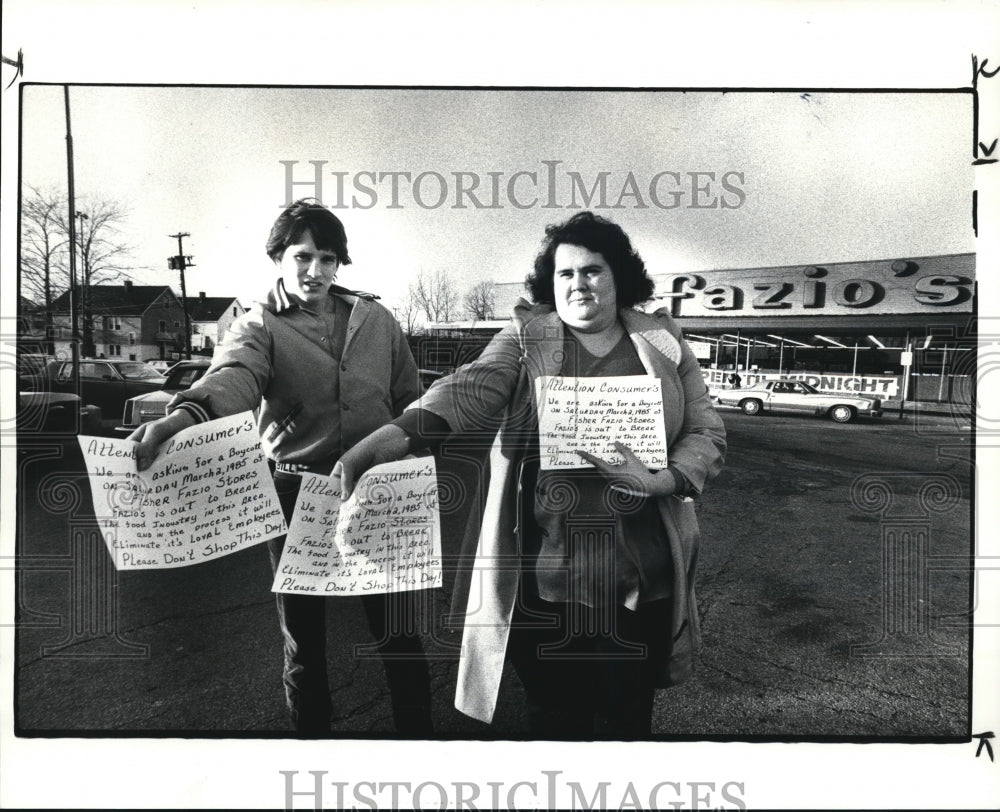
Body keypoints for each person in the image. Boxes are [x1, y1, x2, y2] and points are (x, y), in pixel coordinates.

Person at [336, 211, 726, 739]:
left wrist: (667, 479)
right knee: (556, 724)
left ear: (620, 279)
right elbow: (469, 387)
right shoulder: (527, 335)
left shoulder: (662, 339)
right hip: (548, 581)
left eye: (592, 270)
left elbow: (705, 429)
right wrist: (390, 439)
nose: (578, 283)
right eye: (565, 274)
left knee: (627, 723)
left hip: (642, 577)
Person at [130, 199, 432, 737]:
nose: (315, 270)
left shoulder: (377, 319)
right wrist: (181, 418)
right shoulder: (259, 325)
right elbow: (234, 378)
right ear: (278, 258)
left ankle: (418, 745)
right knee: (304, 642)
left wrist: (409, 458)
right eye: (302, 256)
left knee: (399, 633)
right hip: (297, 496)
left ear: (340, 263)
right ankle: (311, 751)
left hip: (377, 491)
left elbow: (409, 398)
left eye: (328, 257)